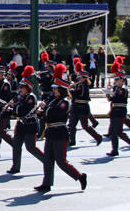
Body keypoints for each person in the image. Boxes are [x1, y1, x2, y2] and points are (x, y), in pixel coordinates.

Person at [33, 64, 88, 193]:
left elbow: (55, 114)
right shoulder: (54, 100)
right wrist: (40, 113)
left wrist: (43, 111)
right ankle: (46, 183)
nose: (54, 91)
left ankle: (80, 176)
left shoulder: (64, 102)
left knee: (61, 162)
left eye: (56, 89)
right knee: (47, 160)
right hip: (51, 132)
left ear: (61, 89)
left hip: (60, 133)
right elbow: (47, 115)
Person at [5, 66, 44, 174]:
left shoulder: (31, 97)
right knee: (16, 145)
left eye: (22, 87)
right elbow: (17, 110)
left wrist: (13, 108)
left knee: (31, 147)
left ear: (28, 88)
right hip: (21, 125)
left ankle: (46, 161)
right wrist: (10, 109)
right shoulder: (21, 96)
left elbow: (24, 110)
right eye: (20, 87)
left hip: (30, 125)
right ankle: (15, 166)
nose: (20, 89)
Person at [104, 60, 130, 157]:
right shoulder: (116, 88)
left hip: (120, 111)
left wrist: (111, 94)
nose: (115, 81)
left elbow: (117, 97)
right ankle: (114, 150)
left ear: (122, 80)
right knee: (114, 133)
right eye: (115, 80)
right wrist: (108, 93)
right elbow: (111, 99)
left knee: (118, 131)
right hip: (114, 111)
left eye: (117, 80)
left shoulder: (123, 89)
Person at [68, 62, 103, 146]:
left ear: (84, 78)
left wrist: (69, 89)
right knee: (71, 125)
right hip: (75, 106)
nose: (78, 79)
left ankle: (98, 137)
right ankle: (72, 141)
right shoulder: (79, 85)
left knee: (85, 126)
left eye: (80, 78)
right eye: (79, 77)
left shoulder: (83, 86)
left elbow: (77, 94)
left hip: (82, 107)